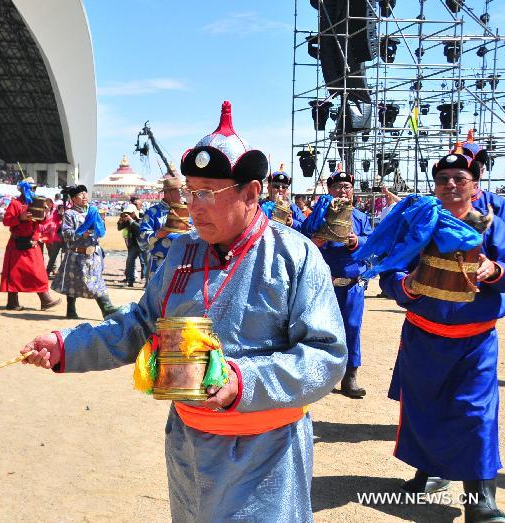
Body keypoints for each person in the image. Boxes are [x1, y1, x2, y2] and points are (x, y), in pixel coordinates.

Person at [22, 101, 346, 521]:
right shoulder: (181, 252)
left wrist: (243, 382)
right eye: (191, 191)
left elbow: (325, 356)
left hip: (265, 454)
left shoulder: (293, 256)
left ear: (251, 193)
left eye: (208, 193)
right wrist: (68, 345)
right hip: (189, 444)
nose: (194, 205)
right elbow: (140, 323)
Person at [363, 149, 505, 522]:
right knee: (424, 410)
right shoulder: (418, 216)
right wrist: (407, 284)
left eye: (460, 178)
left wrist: (493, 270)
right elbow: (390, 268)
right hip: (424, 336)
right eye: (443, 179)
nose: (451, 185)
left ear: (475, 184)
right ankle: (430, 472)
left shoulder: (494, 220)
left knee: (475, 414)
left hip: (474, 341)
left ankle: (480, 500)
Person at [308, 171, 372, 398]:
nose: (342, 191)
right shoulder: (318, 216)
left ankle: (350, 376)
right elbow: (302, 239)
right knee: (320, 329)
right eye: (337, 187)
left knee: (352, 329)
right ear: (329, 190)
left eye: (346, 187)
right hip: (324, 285)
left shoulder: (360, 218)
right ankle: (319, 375)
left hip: (352, 286)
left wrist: (357, 242)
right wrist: (316, 241)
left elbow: (373, 243)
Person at [51, 184, 118, 319]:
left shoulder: (93, 211)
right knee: (72, 282)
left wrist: (99, 224)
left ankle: (107, 308)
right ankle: (70, 309)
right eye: (80, 194)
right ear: (73, 199)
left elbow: (100, 231)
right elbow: (66, 233)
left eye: (85, 193)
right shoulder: (70, 214)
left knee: (97, 281)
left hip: (93, 255)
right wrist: (82, 233)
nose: (84, 196)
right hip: (76, 254)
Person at [0, 177, 61, 311]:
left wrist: (44, 212)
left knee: (38, 272)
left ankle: (45, 300)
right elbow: (6, 221)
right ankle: (12, 302)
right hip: (17, 243)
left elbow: (40, 222)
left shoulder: (36, 202)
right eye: (31, 188)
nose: (34, 190)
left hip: (32, 242)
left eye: (35, 188)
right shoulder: (15, 203)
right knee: (14, 274)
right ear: (24, 189)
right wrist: (20, 218)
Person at [461, 131, 505, 225]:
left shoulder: (500, 205)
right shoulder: (438, 207)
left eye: (474, 168)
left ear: (482, 172)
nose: (468, 174)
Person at [137, 175, 184, 276]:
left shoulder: (190, 210)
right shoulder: (153, 212)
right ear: (167, 193)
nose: (182, 193)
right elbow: (141, 240)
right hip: (160, 264)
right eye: (178, 190)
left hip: (186, 265)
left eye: (182, 189)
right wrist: (158, 234)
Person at [117, 196, 145, 287]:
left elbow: (140, 228)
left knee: (144, 261)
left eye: (129, 213)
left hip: (143, 243)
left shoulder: (142, 216)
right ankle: (130, 280)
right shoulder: (127, 218)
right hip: (132, 244)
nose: (127, 214)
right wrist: (121, 221)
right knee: (130, 261)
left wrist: (131, 220)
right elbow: (119, 228)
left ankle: (144, 279)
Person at [43, 199, 65, 278]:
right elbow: (55, 220)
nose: (61, 208)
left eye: (63, 207)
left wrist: (64, 215)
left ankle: (63, 272)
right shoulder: (56, 213)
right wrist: (60, 215)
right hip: (56, 239)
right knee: (53, 256)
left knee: (66, 256)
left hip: (65, 239)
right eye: (60, 207)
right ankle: (47, 272)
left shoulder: (68, 214)